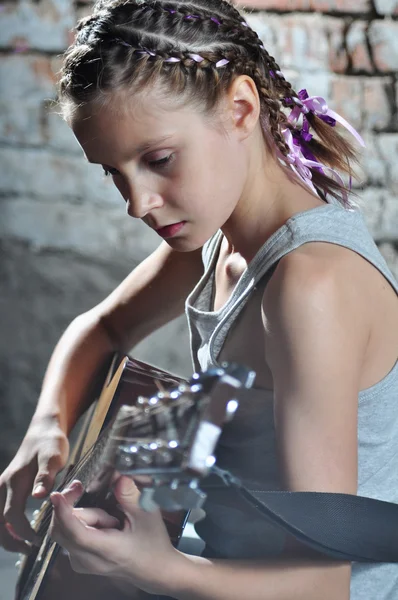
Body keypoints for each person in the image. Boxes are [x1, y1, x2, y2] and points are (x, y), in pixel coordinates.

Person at [1, 0, 397, 598]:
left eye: (158, 160)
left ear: (239, 108)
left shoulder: (309, 286)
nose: (138, 203)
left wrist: (153, 567)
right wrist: (49, 425)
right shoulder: (220, 230)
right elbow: (105, 328)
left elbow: (324, 586)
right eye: (113, 172)